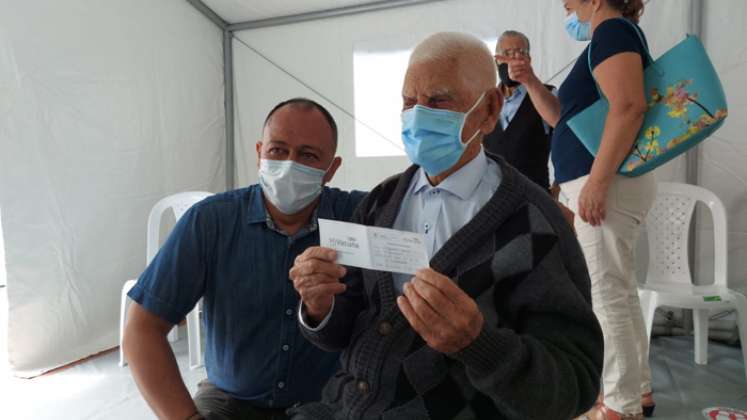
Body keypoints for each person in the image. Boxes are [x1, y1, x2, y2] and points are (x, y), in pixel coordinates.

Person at [288, 32, 603, 420]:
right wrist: (320, 308)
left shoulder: (535, 224)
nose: (417, 116)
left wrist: (479, 344)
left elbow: (576, 384)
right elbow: (346, 324)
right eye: (408, 102)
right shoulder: (379, 203)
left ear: (489, 110)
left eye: (438, 101)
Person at [123, 98, 366, 420]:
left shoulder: (360, 217)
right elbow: (142, 329)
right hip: (229, 399)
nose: (290, 164)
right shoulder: (211, 222)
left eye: (308, 155)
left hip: (326, 402)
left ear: (331, 169)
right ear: (259, 153)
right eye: (278, 150)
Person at [503, 1, 656, 418]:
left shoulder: (612, 33)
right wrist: (533, 81)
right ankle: (635, 390)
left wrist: (597, 182)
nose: (566, 5)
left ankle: (619, 406)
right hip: (602, 182)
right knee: (618, 292)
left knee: (606, 295)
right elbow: (561, 117)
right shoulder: (606, 37)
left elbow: (629, 107)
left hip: (606, 184)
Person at [484, 30, 556, 191]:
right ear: (497, 61)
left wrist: (558, 186)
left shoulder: (548, 96)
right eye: (507, 53)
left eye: (520, 53)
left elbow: (568, 144)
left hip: (535, 199)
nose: (514, 58)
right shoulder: (485, 103)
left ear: (529, 60)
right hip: (492, 198)